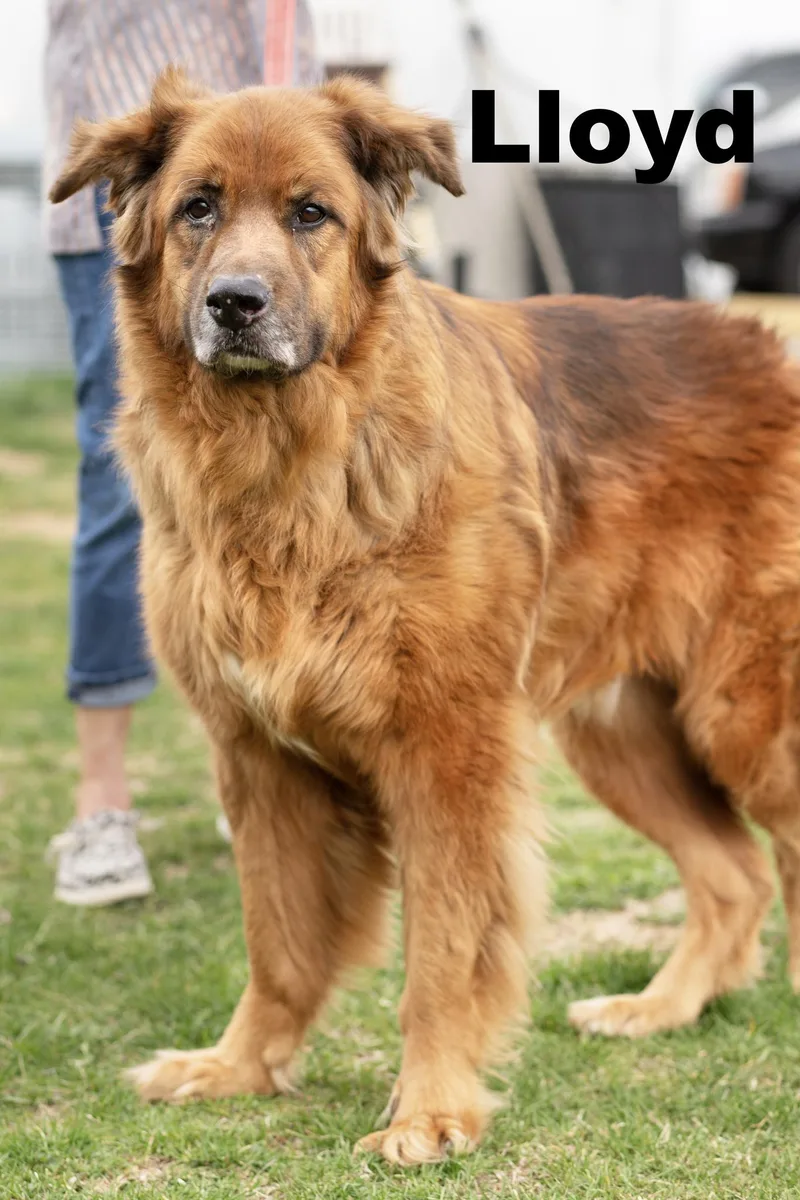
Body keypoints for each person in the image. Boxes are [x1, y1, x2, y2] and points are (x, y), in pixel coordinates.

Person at [43, 0, 320, 906]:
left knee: (304, 492)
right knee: (123, 488)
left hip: (292, 178)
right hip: (144, 192)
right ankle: (102, 802)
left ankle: (274, 755)